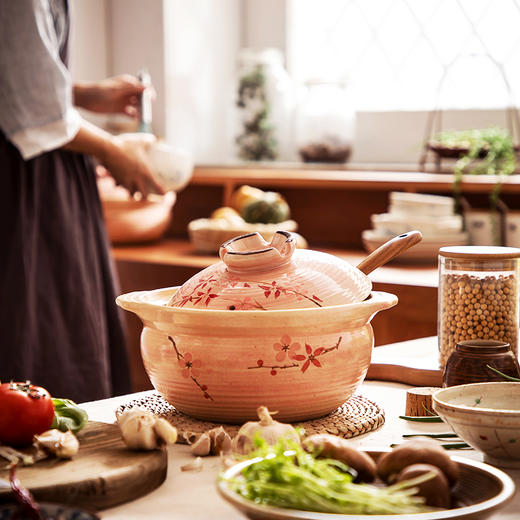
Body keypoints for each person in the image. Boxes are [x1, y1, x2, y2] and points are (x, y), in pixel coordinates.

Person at [0, 0, 164, 402]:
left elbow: (17, 80)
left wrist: (80, 93)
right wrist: (112, 150)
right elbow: (38, 116)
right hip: (24, 187)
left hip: (36, 179)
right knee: (39, 335)